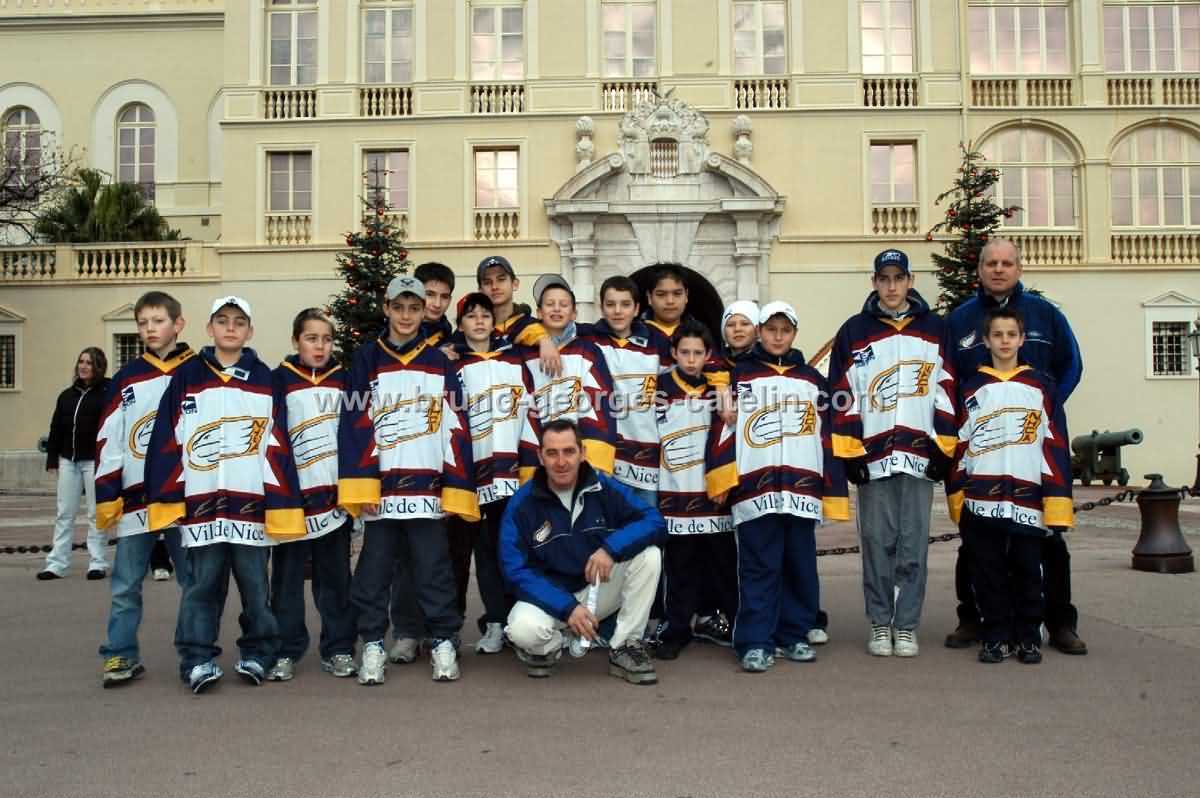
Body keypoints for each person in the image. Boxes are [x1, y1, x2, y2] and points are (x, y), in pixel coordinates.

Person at [145, 296, 305, 694]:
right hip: (202, 507)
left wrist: (280, 502)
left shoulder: (266, 379)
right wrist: (168, 496)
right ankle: (196, 658)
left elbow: (278, 444)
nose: (230, 327)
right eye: (222, 320)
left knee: (255, 588)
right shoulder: (186, 376)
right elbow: (166, 438)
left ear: (250, 331)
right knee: (202, 586)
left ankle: (259, 653)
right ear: (209, 328)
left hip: (250, 506)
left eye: (238, 321)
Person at [943, 237, 1087, 656]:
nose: (999, 269)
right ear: (980, 270)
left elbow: (1072, 364)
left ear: (1019, 269)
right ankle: (974, 618)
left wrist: (1041, 407)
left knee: (1047, 541)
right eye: (991, 263)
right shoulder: (961, 320)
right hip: (984, 448)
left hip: (1032, 446)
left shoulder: (1045, 313)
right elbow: (947, 376)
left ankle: (1059, 622)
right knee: (976, 543)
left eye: (1007, 263)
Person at [338, 275, 479, 685]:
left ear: (423, 312)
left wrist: (454, 487)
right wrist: (362, 485)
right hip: (381, 492)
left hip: (427, 490)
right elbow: (355, 423)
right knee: (374, 572)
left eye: (414, 308)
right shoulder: (367, 358)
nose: (405, 315)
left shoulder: (439, 361)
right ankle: (372, 644)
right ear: (386, 308)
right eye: (398, 307)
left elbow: (455, 425)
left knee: (434, 570)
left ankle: (443, 641)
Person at [707, 302, 850, 672]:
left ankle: (793, 634)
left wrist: (832, 487)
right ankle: (755, 641)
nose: (777, 336)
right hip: (755, 489)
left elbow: (826, 436)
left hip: (801, 490)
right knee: (758, 567)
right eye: (771, 329)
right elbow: (723, 430)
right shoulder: (740, 376)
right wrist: (721, 477)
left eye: (785, 330)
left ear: (794, 334)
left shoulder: (812, 380)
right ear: (760, 332)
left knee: (799, 565)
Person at [828, 249, 956, 658]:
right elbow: (842, 393)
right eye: (884, 279)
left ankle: (907, 625)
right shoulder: (854, 331)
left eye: (898, 278)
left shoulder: (935, 329)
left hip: (919, 455)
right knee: (876, 541)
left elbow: (947, 387)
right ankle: (880, 622)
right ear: (874, 283)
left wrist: (943, 445)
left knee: (913, 544)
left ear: (910, 281)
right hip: (873, 456)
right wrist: (850, 451)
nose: (891, 286)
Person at [500, 419, 665, 684]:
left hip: (596, 590)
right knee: (522, 630)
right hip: (551, 599)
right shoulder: (522, 503)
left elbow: (654, 521)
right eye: (552, 453)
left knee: (649, 556)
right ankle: (551, 645)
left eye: (569, 451)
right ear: (540, 457)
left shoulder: (603, 487)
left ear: (582, 453)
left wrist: (611, 549)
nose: (561, 462)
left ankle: (625, 646)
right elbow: (515, 571)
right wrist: (566, 607)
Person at [94, 291, 194, 686]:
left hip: (185, 499)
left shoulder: (198, 371)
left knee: (193, 583)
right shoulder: (127, 378)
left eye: (158, 321)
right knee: (125, 584)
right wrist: (107, 493)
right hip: (135, 499)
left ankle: (193, 653)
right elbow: (110, 438)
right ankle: (120, 653)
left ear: (178, 324)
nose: (150, 329)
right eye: (143, 323)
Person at [267, 308, 358, 681]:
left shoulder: (345, 381)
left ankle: (338, 647)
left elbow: (356, 434)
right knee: (286, 580)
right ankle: (285, 649)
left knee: (335, 579)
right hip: (292, 499)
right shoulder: (278, 381)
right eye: (311, 338)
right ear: (295, 341)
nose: (320, 346)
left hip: (334, 500)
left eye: (327, 339)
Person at [443, 291, 528, 653]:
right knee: (467, 554)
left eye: (485, 315)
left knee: (504, 550)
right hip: (469, 476)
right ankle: (467, 625)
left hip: (509, 474)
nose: (479, 321)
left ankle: (508, 622)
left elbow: (530, 410)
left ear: (495, 322)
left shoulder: (515, 359)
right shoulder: (451, 365)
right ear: (460, 324)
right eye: (471, 316)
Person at [653, 322, 737, 660]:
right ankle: (676, 629)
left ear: (708, 355)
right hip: (675, 492)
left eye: (697, 353)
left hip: (713, 493)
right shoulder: (659, 388)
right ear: (674, 353)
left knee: (723, 565)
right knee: (679, 567)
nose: (691, 359)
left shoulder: (720, 390)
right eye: (684, 352)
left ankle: (734, 625)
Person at [518, 274, 616, 479]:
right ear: (539, 312)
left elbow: (599, 404)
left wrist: (591, 461)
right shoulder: (523, 355)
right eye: (549, 304)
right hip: (540, 457)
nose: (556, 309)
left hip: (579, 459)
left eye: (563, 305)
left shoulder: (588, 351)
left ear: (574, 313)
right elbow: (523, 409)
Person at [582, 275, 668, 508]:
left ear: (637, 308)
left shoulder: (657, 342)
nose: (618, 311)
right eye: (611, 304)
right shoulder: (587, 339)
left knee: (646, 524)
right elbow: (549, 326)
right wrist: (544, 341)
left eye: (625, 304)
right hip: (603, 457)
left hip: (646, 459)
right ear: (601, 307)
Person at [39, 347, 112, 581]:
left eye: (89, 363)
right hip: (68, 461)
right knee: (64, 513)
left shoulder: (107, 393)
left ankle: (97, 563)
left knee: (95, 513)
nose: (83, 366)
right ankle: (56, 564)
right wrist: (52, 457)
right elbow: (56, 428)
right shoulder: (66, 396)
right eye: (81, 361)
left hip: (95, 462)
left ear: (98, 366)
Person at [476, 254, 561, 374]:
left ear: (515, 284)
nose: (494, 287)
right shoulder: (472, 329)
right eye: (487, 282)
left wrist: (546, 341)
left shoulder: (531, 326)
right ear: (480, 291)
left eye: (501, 279)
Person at [415, 261, 455, 345]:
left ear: (450, 300)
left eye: (444, 297)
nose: (437, 304)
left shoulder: (450, 336)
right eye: (430, 294)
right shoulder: (395, 332)